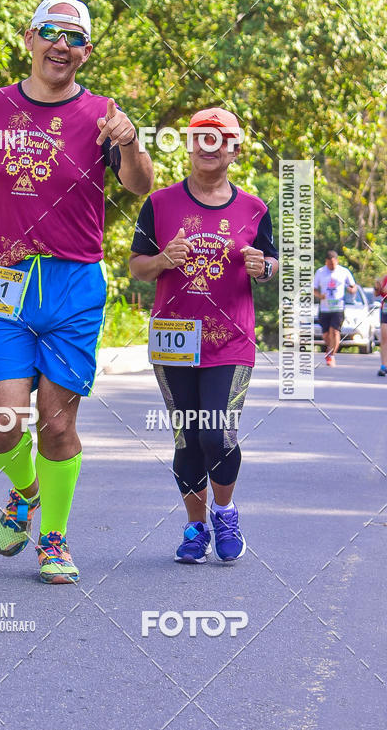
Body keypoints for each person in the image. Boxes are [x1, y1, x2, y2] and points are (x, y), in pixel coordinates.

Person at [0, 0, 153, 584]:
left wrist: (129, 140)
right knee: (2, 422)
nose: (61, 45)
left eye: (74, 38)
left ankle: (54, 537)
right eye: (51, 32)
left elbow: (136, 185)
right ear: (29, 38)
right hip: (7, 278)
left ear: (86, 52)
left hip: (74, 283)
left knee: (56, 425)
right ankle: (24, 492)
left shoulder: (103, 114)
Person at [129, 107, 278, 564]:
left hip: (230, 341)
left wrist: (264, 268)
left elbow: (272, 265)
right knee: (188, 437)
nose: (209, 146)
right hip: (173, 338)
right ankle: (195, 526)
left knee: (217, 433)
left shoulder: (255, 209)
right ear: (190, 146)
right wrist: (162, 261)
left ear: (234, 148)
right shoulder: (158, 205)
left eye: (220, 138)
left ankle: (225, 512)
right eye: (200, 138)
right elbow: (136, 269)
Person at [313, 251, 356, 367]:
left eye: (333, 263)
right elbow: (314, 289)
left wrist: (352, 290)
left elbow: (353, 286)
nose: (331, 266)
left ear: (336, 261)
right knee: (326, 335)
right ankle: (330, 349)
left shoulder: (344, 271)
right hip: (324, 308)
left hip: (338, 307)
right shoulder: (320, 272)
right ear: (326, 262)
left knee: (335, 331)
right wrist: (320, 295)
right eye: (329, 264)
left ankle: (332, 356)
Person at [374, 273, 387, 376]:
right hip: (385, 310)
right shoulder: (384, 277)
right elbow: (376, 294)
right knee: (384, 337)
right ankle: (383, 366)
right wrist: (377, 286)